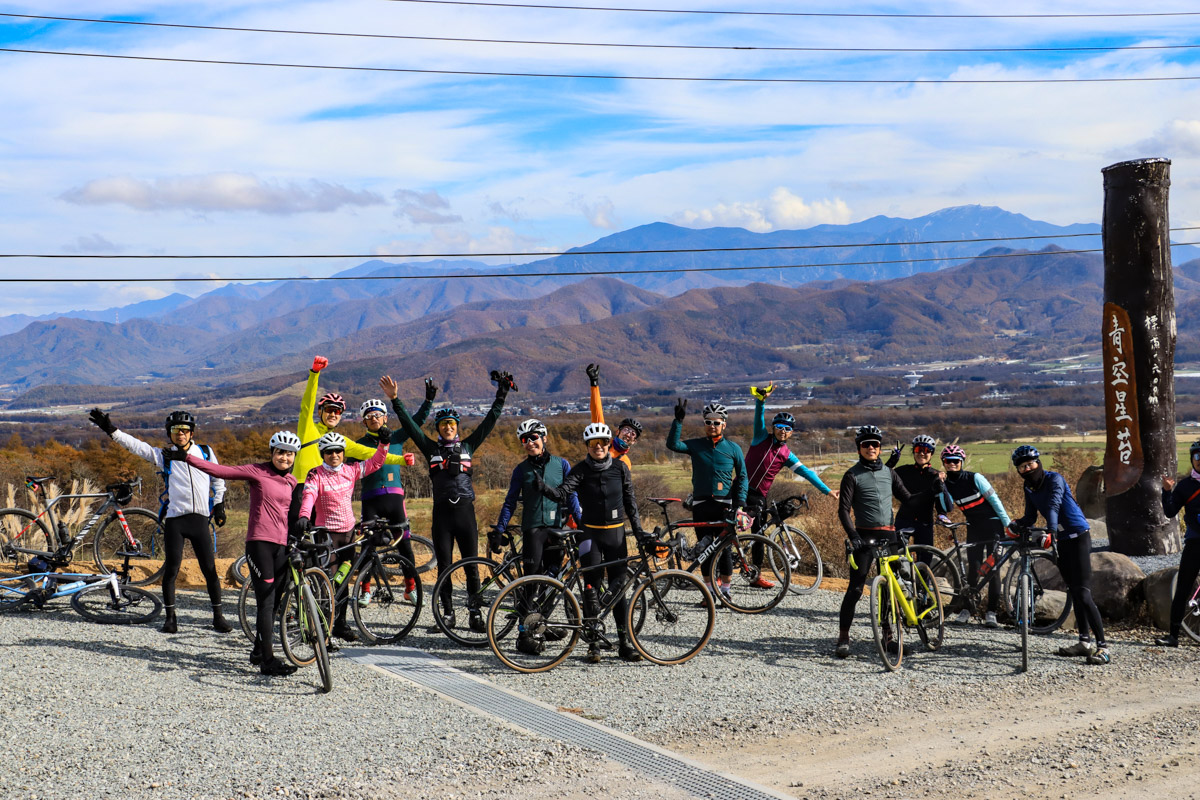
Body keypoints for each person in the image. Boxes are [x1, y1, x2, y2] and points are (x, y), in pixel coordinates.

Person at [166, 431, 303, 677]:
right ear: (272, 452)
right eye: (280, 452)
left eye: (289, 453)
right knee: (266, 601)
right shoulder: (257, 471)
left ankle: (259, 650)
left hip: (282, 546)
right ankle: (268, 661)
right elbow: (221, 471)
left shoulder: (292, 482)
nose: (284, 457)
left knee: (274, 604)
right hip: (259, 543)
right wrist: (186, 458)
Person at [388, 370, 512, 633]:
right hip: (442, 516)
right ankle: (447, 613)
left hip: (466, 513)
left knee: (471, 565)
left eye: (452, 424)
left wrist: (501, 394)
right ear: (438, 429)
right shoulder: (430, 448)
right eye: (443, 425)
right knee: (444, 566)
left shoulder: (468, 446)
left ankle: (475, 613)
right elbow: (410, 426)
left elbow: (489, 422)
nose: (447, 428)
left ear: (457, 427)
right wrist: (396, 401)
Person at [88, 408, 230, 635]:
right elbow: (137, 446)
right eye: (175, 430)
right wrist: (111, 430)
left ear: (191, 432)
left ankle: (218, 617)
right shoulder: (165, 456)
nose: (180, 434)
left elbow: (218, 477)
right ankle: (171, 618)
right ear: (170, 433)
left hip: (200, 519)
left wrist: (220, 503)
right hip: (176, 519)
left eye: (184, 430)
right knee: (171, 570)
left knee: (210, 570)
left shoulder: (204, 452)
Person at [536, 422, 646, 663]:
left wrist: (639, 533)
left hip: (616, 535)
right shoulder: (580, 469)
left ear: (609, 444)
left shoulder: (619, 468)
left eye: (603, 442)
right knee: (590, 589)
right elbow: (562, 492)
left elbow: (631, 502)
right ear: (587, 446)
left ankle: (624, 642)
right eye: (593, 443)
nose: (598, 447)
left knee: (619, 590)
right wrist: (543, 488)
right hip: (589, 536)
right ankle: (593, 644)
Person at [1010, 445, 1110, 665]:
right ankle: (1084, 643)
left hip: (1078, 536)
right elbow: (1030, 516)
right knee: (1073, 591)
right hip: (1061, 541)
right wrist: (1015, 524)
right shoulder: (1029, 488)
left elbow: (1054, 505)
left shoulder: (1054, 479)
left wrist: (1051, 530)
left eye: (1031, 464)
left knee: (1083, 593)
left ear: (1039, 463)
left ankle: (1103, 648)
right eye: (1022, 467)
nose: (1027, 469)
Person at [291, 356, 412, 525]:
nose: (333, 414)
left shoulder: (338, 441)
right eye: (329, 410)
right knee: (298, 540)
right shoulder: (308, 429)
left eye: (338, 412)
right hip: (303, 487)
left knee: (324, 542)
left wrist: (400, 460)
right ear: (321, 412)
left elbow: (369, 453)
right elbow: (307, 405)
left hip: (326, 492)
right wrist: (315, 374)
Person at [743, 382, 838, 588]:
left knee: (759, 535)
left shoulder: (787, 455)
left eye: (788, 429)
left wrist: (827, 491)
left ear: (792, 432)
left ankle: (755, 575)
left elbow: (807, 473)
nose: (783, 431)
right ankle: (719, 572)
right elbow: (758, 417)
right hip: (740, 489)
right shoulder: (761, 438)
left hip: (759, 496)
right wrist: (761, 400)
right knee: (729, 529)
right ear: (773, 428)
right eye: (779, 427)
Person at [296, 431, 389, 641]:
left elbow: (374, 463)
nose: (334, 455)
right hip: (326, 536)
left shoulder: (350, 470)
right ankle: (321, 627)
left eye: (338, 451)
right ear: (323, 454)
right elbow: (309, 495)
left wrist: (384, 443)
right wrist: (304, 515)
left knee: (344, 581)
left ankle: (340, 625)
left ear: (343, 453)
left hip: (348, 534)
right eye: (329, 452)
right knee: (327, 582)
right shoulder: (315, 474)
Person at [835, 425, 914, 658]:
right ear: (859, 448)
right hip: (863, 537)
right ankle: (843, 636)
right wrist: (853, 537)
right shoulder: (851, 475)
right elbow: (843, 510)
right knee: (856, 588)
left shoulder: (889, 473)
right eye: (866, 444)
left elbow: (908, 499)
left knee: (890, 588)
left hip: (888, 536)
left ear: (880, 448)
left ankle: (888, 638)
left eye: (875, 444)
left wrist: (932, 494)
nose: (871, 447)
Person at [355, 379, 435, 603]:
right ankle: (366, 590)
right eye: (369, 416)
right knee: (367, 546)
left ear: (385, 417)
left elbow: (416, 421)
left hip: (394, 498)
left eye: (377, 415)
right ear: (364, 421)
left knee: (405, 544)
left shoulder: (397, 437)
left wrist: (428, 401)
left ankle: (410, 588)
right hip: (370, 499)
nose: (374, 419)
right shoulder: (359, 444)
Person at [667, 399, 747, 602]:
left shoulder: (733, 448)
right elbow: (673, 444)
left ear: (724, 424)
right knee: (705, 549)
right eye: (708, 422)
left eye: (716, 422)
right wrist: (678, 421)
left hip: (724, 506)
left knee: (726, 549)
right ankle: (709, 593)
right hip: (701, 504)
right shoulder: (696, 445)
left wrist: (740, 504)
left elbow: (743, 477)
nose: (712, 426)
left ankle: (726, 591)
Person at [495, 418, 582, 579]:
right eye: (524, 439)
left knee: (553, 578)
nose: (529, 443)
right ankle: (526, 604)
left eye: (533, 437)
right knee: (531, 580)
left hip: (556, 529)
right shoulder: (521, 470)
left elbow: (572, 496)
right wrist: (500, 529)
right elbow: (510, 502)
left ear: (544, 438)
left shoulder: (562, 465)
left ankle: (544, 604)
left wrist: (581, 523)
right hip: (532, 529)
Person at [938, 444, 1011, 628]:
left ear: (961, 462)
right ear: (944, 463)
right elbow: (945, 507)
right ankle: (968, 610)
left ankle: (991, 613)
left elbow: (995, 500)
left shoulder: (975, 478)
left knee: (993, 569)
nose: (952, 464)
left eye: (956, 461)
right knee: (974, 568)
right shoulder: (946, 483)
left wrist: (1007, 524)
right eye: (948, 461)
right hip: (974, 527)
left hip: (993, 524)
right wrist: (939, 486)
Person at [1154, 440, 1200, 647]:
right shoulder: (1186, 486)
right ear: (1192, 459)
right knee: (1182, 589)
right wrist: (1166, 491)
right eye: (1197, 457)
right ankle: (1173, 636)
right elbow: (1170, 512)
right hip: (1195, 543)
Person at [885, 434, 949, 567]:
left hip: (925, 522)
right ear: (913, 451)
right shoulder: (904, 471)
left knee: (925, 561)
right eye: (918, 449)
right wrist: (892, 462)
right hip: (904, 519)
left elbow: (943, 502)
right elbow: (882, 477)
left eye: (926, 450)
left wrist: (942, 513)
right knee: (896, 558)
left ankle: (922, 587)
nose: (922, 453)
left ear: (931, 453)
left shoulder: (936, 475)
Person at [586, 362, 642, 470]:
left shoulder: (625, 462)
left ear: (634, 441)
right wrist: (594, 384)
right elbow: (597, 414)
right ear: (617, 432)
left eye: (633, 434)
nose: (629, 434)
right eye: (626, 429)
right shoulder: (603, 443)